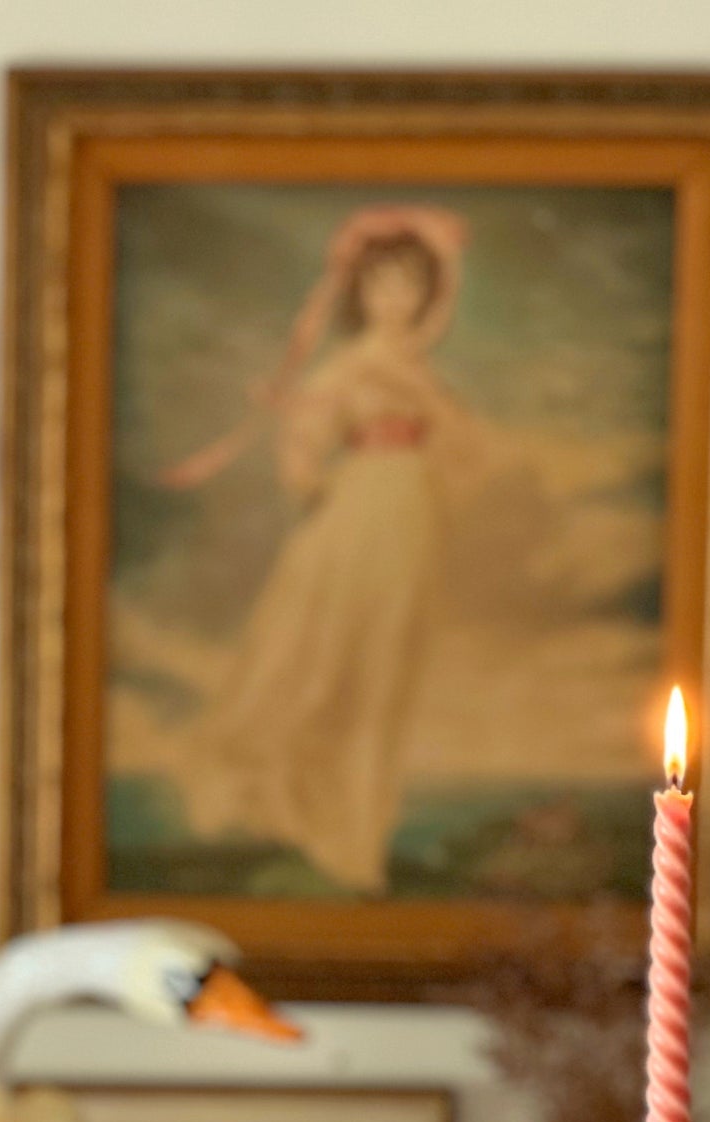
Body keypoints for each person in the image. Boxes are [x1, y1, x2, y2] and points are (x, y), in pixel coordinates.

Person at [162, 205, 474, 896]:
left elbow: (460, 440)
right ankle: (303, 816)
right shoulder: (348, 369)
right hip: (357, 516)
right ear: (360, 294)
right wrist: (323, 473)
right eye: (381, 285)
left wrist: (442, 255)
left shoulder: (415, 366)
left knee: (387, 671)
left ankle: (358, 838)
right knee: (324, 662)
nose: (396, 300)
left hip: (412, 520)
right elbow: (300, 460)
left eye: (408, 285)